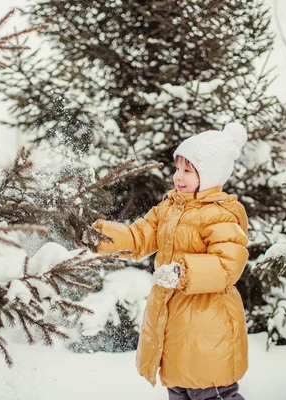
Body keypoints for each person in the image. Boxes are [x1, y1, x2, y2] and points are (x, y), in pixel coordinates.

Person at [83, 123, 250, 400]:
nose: (178, 177)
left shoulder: (219, 214)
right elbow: (138, 237)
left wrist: (183, 272)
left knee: (207, 390)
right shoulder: (168, 208)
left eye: (188, 170)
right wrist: (100, 235)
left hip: (207, 324)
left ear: (209, 176)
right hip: (173, 324)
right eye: (177, 169)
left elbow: (228, 265)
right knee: (179, 387)